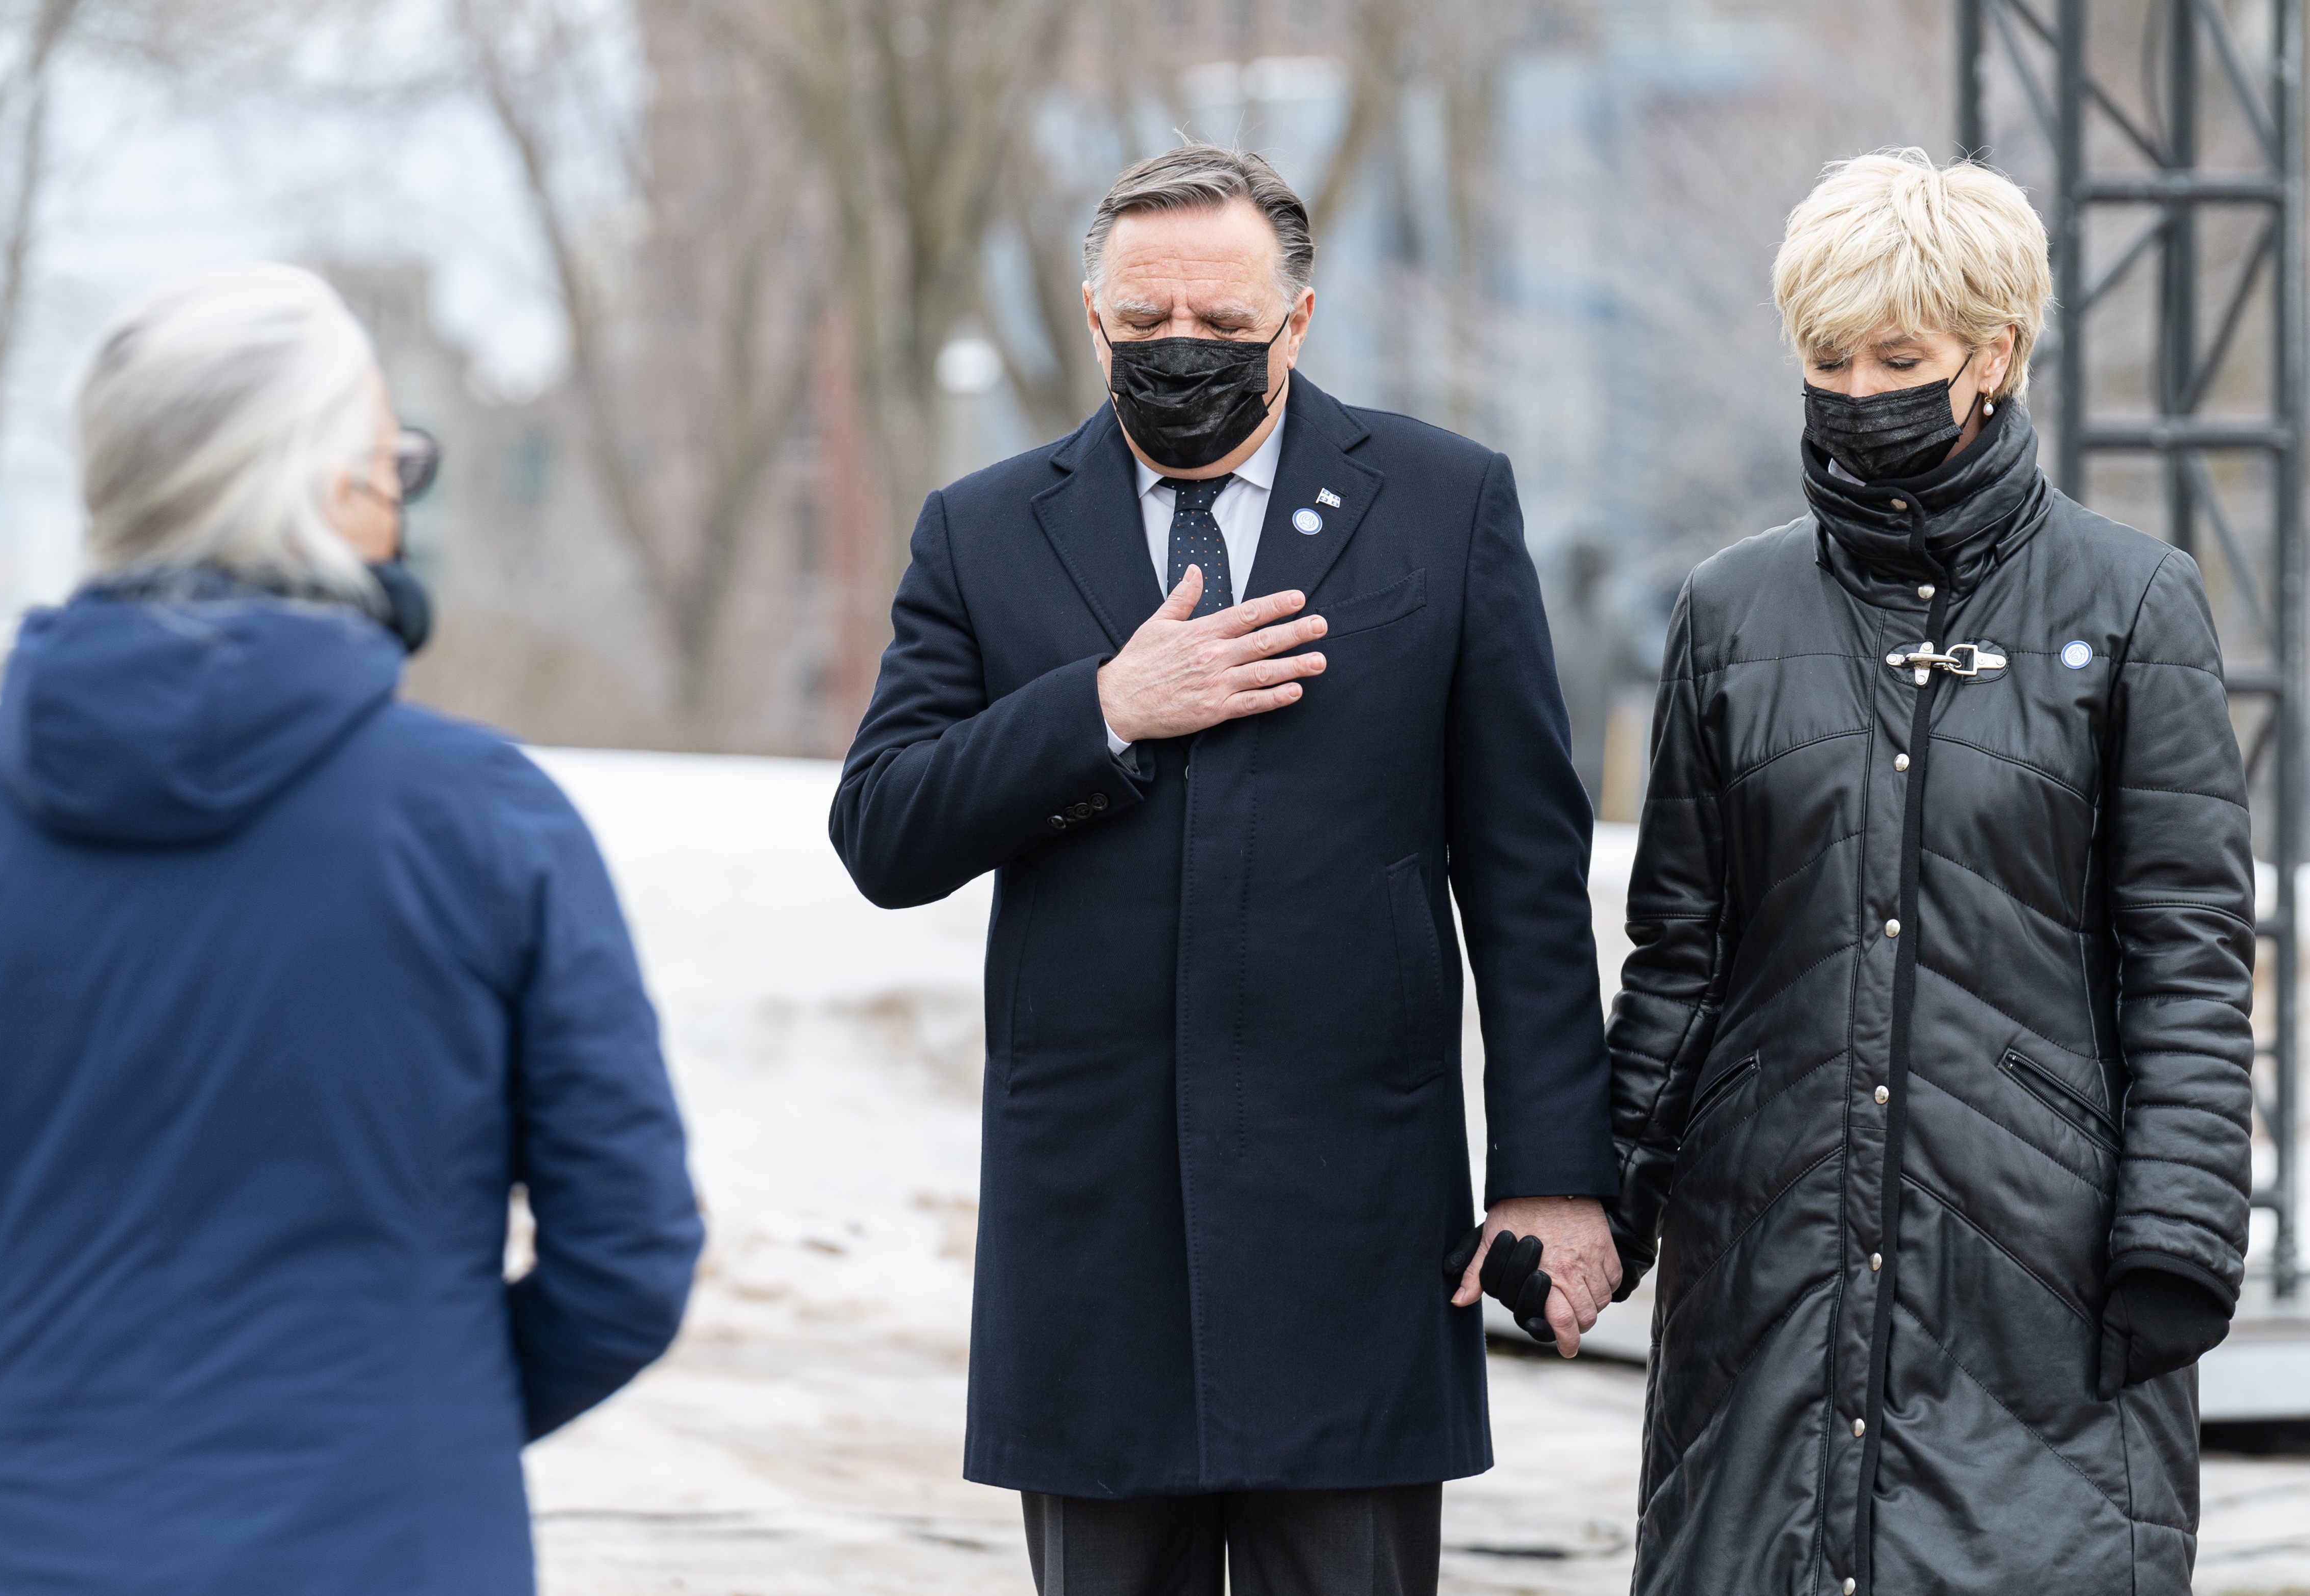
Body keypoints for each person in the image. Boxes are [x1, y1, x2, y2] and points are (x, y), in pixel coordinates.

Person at [830, 143, 1621, 1595]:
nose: (1177, 351)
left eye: (1219, 325)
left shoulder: (1442, 506)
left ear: (1297, 324)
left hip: (1358, 1228)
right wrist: (1101, 708)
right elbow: (884, 830)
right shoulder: (984, 530)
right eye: (1141, 326)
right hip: (1095, 1236)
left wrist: (1556, 1176)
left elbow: (1524, 871)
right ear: (1091, 316)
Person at [0, 264, 703, 1594]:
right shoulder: (483, 821)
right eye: (394, 459)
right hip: (396, 1536)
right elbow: (623, 1256)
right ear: (338, 489)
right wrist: (413, 1421)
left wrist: (80, 1406)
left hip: (52, 1540)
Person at [1605, 149, 2254, 1595]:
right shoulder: (1729, 611)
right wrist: (1601, 1206)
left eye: (1896, 355)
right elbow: (1679, 953)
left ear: (1992, 354)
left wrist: (2178, 1232)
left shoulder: (2132, 603)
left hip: (2042, 1265)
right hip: (1767, 1253)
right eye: (1827, 356)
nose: (1854, 389)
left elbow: (2191, 953)